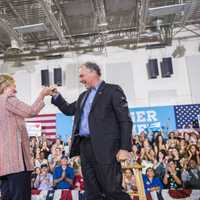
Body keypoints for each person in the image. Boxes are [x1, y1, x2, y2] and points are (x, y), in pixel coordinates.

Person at [50, 62, 133, 200]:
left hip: (106, 148)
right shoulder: (83, 96)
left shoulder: (112, 90)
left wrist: (124, 148)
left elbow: (125, 120)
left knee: (112, 189)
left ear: (93, 72)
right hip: (85, 147)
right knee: (92, 192)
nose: (80, 79)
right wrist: (56, 96)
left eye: (82, 75)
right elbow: (69, 109)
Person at [0, 74, 52, 200]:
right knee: (21, 196)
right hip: (17, 161)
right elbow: (31, 111)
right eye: (14, 85)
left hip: (4, 164)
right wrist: (42, 95)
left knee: (7, 196)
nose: (15, 88)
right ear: (7, 85)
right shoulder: (8, 99)